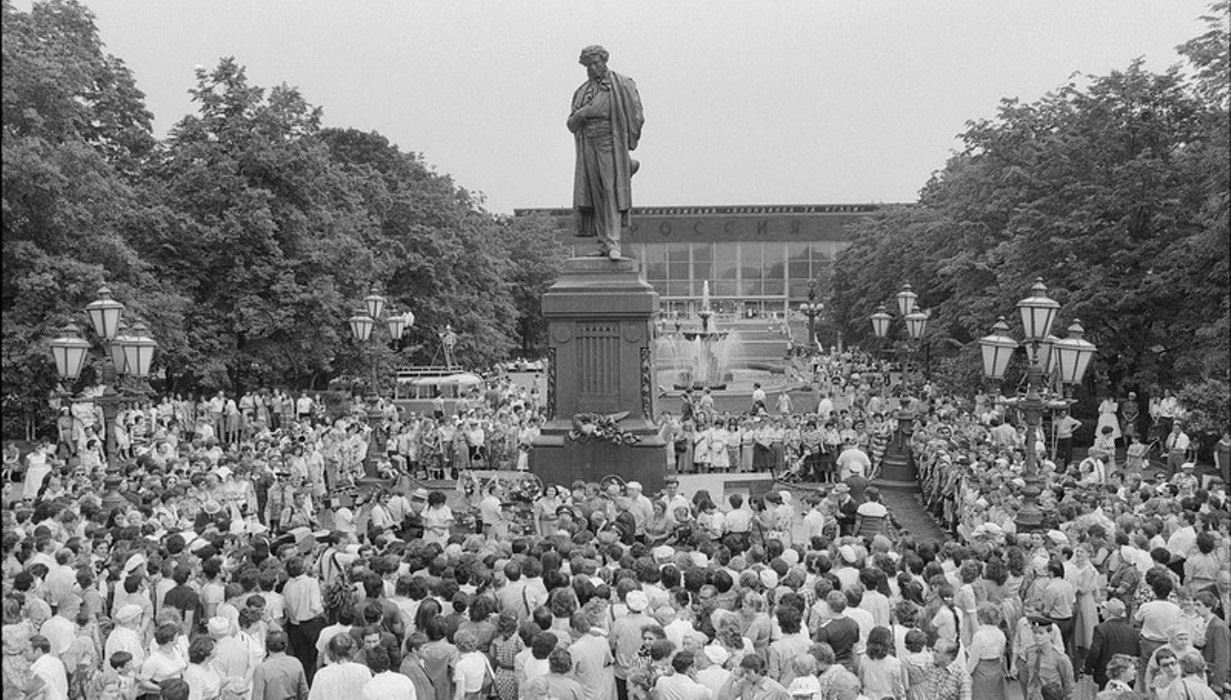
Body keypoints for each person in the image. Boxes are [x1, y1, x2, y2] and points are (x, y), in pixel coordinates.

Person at [567, 44, 645, 259]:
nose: (592, 68)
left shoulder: (622, 83)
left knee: (611, 191)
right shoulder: (582, 91)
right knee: (596, 194)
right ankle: (603, 243)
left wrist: (628, 143)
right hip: (588, 145)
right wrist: (583, 114)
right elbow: (571, 124)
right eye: (588, 65)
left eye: (595, 63)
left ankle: (613, 243)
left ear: (604, 61)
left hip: (610, 143)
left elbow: (636, 113)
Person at [1084, 598, 1140, 690]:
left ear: (1109, 612)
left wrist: (1088, 670)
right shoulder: (1132, 631)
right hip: (1126, 675)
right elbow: (1137, 652)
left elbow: (1094, 651)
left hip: (1106, 674)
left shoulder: (1101, 629)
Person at [1016, 616, 1074, 700]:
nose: (1037, 636)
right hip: (1033, 696)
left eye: (1041, 633)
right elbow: (1030, 674)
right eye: (1034, 633)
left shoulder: (1060, 657)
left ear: (1050, 634)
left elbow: (1068, 681)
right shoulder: (1030, 651)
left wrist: (1068, 698)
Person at [309, 634, 372, 700]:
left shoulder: (322, 674)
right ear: (353, 649)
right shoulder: (363, 671)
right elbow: (370, 696)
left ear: (330, 651)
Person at [251, 630, 309, 700]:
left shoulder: (262, 669)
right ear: (286, 645)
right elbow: (304, 693)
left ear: (267, 646)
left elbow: (257, 697)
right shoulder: (296, 663)